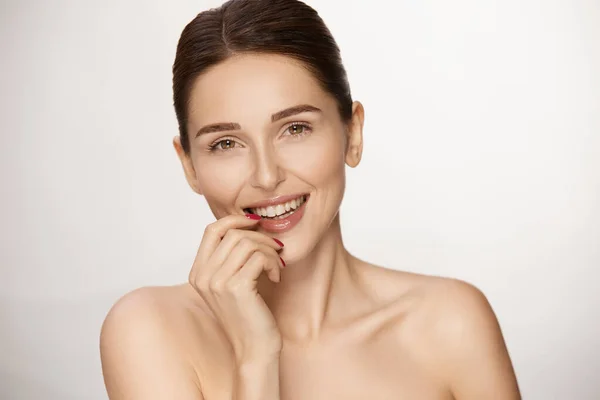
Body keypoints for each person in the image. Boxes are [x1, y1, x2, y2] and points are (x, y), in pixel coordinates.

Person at [99, 0, 521, 398]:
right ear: (189, 164)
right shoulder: (149, 330)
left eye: (295, 128)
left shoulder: (451, 322)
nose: (267, 177)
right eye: (226, 143)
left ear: (352, 135)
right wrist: (256, 358)